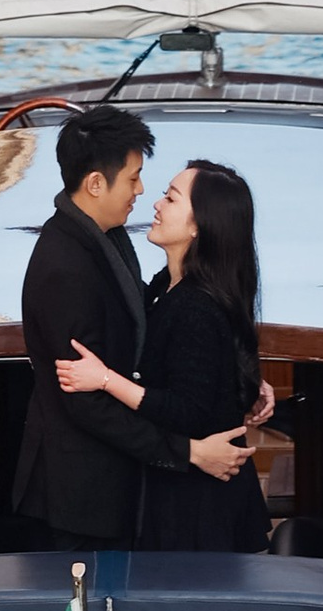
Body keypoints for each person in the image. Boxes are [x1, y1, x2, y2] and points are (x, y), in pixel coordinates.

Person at [11, 105, 252, 549]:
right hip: (85, 497)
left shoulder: (105, 237)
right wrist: (190, 453)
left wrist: (241, 375)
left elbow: (152, 317)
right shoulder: (66, 268)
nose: (142, 191)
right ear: (95, 184)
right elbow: (85, 403)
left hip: (124, 486)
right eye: (134, 178)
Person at [56, 158, 271, 553]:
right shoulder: (166, 287)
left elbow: (186, 411)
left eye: (171, 199)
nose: (156, 204)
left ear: (198, 225)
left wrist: (105, 379)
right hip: (185, 493)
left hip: (197, 510)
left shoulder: (195, 305)